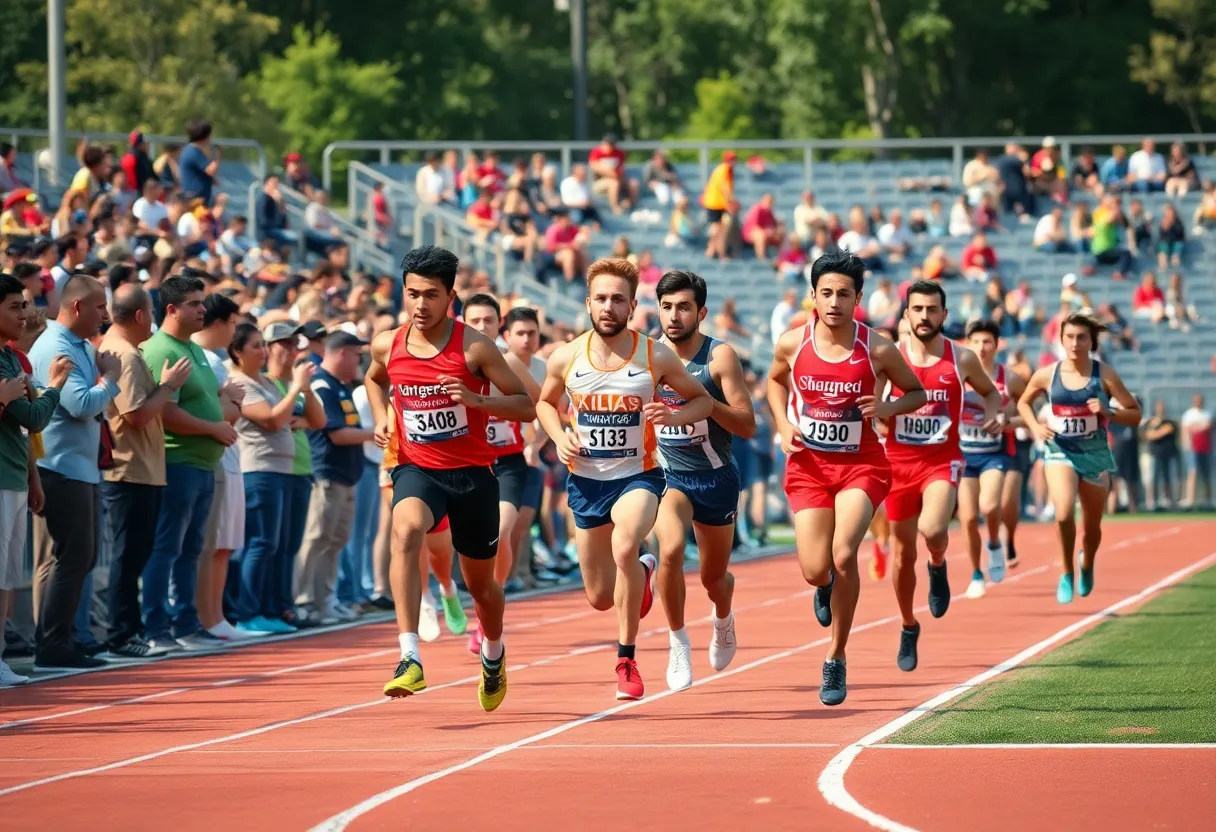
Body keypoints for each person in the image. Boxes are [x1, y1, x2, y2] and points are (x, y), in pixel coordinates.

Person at [365, 245, 535, 711]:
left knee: (482, 587)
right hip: (418, 468)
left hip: (474, 477)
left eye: (431, 295)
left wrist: (476, 401)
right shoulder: (389, 342)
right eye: (412, 294)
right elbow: (374, 379)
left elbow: (524, 404)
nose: (420, 305)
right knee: (406, 529)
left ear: (451, 297)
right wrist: (382, 416)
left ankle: (494, 654)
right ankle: (408, 656)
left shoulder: (475, 347)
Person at [537, 257, 713, 701]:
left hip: (639, 477)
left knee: (624, 543)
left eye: (618, 299)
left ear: (633, 305)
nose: (609, 307)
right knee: (599, 595)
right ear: (588, 303)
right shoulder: (566, 356)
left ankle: (627, 659)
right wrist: (559, 436)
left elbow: (703, 403)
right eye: (601, 298)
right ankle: (643, 570)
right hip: (586, 482)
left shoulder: (654, 355)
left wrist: (672, 413)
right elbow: (544, 404)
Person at [767, 251, 927, 706]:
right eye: (826, 293)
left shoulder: (876, 347)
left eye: (844, 294)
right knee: (816, 569)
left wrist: (888, 408)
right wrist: (782, 423)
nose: (834, 302)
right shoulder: (791, 343)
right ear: (813, 296)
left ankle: (835, 657)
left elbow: (915, 391)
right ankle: (823, 588)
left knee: (842, 554)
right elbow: (775, 383)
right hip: (809, 468)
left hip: (862, 466)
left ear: (858, 298)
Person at [881, 280, 1002, 673]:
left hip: (941, 461)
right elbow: (875, 406)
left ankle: (938, 563)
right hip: (898, 463)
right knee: (901, 556)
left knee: (933, 529)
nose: (925, 316)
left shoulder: (961, 358)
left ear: (944, 315)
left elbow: (990, 393)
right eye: (918, 309)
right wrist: (880, 418)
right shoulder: (890, 357)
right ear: (907, 314)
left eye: (932, 310)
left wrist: (992, 413)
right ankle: (907, 625)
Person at [651, 270, 755, 691]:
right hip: (669, 476)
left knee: (715, 578)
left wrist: (703, 402)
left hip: (716, 478)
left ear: (701, 312)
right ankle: (677, 643)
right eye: (666, 306)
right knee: (671, 550)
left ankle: (723, 618)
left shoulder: (719, 357)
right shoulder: (647, 356)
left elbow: (747, 425)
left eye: (683, 307)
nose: (674, 315)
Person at [140, 275, 240, 653]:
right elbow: (165, 413)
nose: (203, 309)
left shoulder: (194, 350)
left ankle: (186, 622)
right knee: (166, 547)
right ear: (171, 309)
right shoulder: (161, 350)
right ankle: (156, 627)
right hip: (177, 460)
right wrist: (214, 428)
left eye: (202, 303)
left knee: (190, 548)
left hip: (201, 464)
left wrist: (217, 421)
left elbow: (208, 399)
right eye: (194, 303)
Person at [1017, 313, 1140, 603]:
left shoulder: (1105, 374)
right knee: (1062, 514)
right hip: (1060, 451)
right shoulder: (1048, 374)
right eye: (1069, 337)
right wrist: (1035, 426)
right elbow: (1023, 402)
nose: (1074, 343)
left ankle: (1087, 563)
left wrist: (1110, 412)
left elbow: (1135, 414)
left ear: (1091, 341)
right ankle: (1066, 571)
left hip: (1095, 454)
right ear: (1061, 340)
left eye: (1081, 337)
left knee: (1092, 528)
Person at [29, 275, 119, 669]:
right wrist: (111, 380)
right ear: (79, 306)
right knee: (71, 557)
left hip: (76, 466)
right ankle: (52, 644)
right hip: (60, 465)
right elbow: (81, 404)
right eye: (100, 307)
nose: (105, 315)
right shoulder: (56, 344)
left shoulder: (79, 344)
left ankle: (60, 638)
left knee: (76, 557)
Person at [99, 284, 193, 657]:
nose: (152, 322)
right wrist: (168, 386)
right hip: (130, 468)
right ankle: (121, 634)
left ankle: (129, 629)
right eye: (151, 315)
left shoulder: (126, 351)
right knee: (129, 556)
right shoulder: (123, 354)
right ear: (140, 315)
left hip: (142, 468)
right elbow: (136, 416)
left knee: (135, 554)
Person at [460, 293, 542, 652]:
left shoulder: (508, 363)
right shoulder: (453, 362)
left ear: (499, 326)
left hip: (507, 463)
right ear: (462, 322)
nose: (481, 328)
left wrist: (536, 439)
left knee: (503, 530)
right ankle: (466, 596)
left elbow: (542, 401)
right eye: (474, 321)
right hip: (469, 463)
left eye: (488, 321)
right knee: (467, 546)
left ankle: (491, 604)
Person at [0, 274, 68, 684]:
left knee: (7, 577)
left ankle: (1, 660)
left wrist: (33, 478)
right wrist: (55, 386)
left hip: (14, 477)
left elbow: (28, 423)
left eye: (24, 305)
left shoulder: (10, 359)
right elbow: (35, 414)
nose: (24, 314)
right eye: (14, 307)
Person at [957, 319, 1026, 599]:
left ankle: (995, 544)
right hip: (962, 455)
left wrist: (1007, 419)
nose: (982, 348)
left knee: (990, 505)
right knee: (969, 518)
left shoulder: (1009, 379)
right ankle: (976, 573)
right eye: (976, 342)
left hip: (995, 454)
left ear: (997, 346)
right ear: (967, 344)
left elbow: (1032, 414)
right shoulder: (956, 375)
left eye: (987, 342)